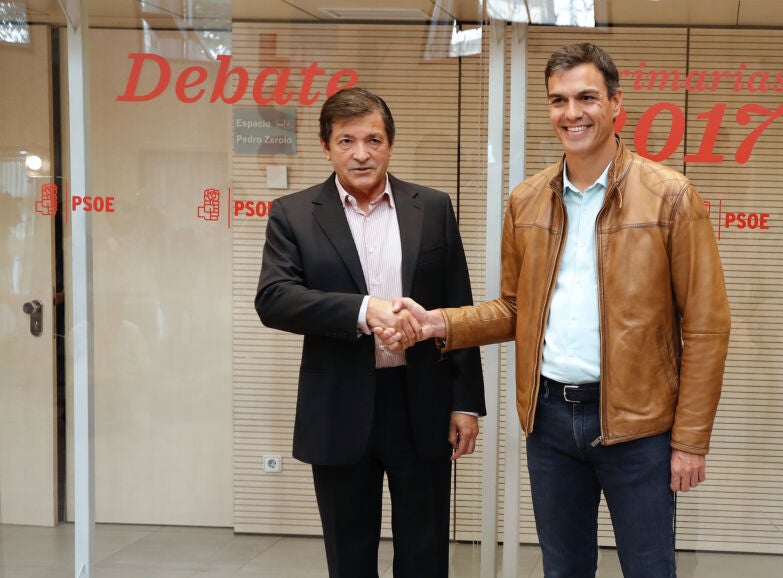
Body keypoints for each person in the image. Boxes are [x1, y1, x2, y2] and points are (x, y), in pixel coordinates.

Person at [381, 43, 730, 577]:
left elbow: (706, 327)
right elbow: (516, 308)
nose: (572, 113)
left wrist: (690, 441)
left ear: (616, 104)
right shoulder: (526, 200)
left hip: (640, 427)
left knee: (649, 569)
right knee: (562, 569)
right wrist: (439, 323)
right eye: (559, 100)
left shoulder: (671, 197)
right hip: (549, 423)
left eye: (587, 97)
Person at [254, 87, 486, 578]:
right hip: (338, 405)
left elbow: (458, 305)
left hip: (420, 402)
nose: (361, 153)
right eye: (347, 141)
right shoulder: (294, 213)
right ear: (326, 147)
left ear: (390, 144)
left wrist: (465, 402)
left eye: (373, 140)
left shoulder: (433, 207)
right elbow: (274, 298)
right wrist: (364, 310)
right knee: (350, 556)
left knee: (425, 555)